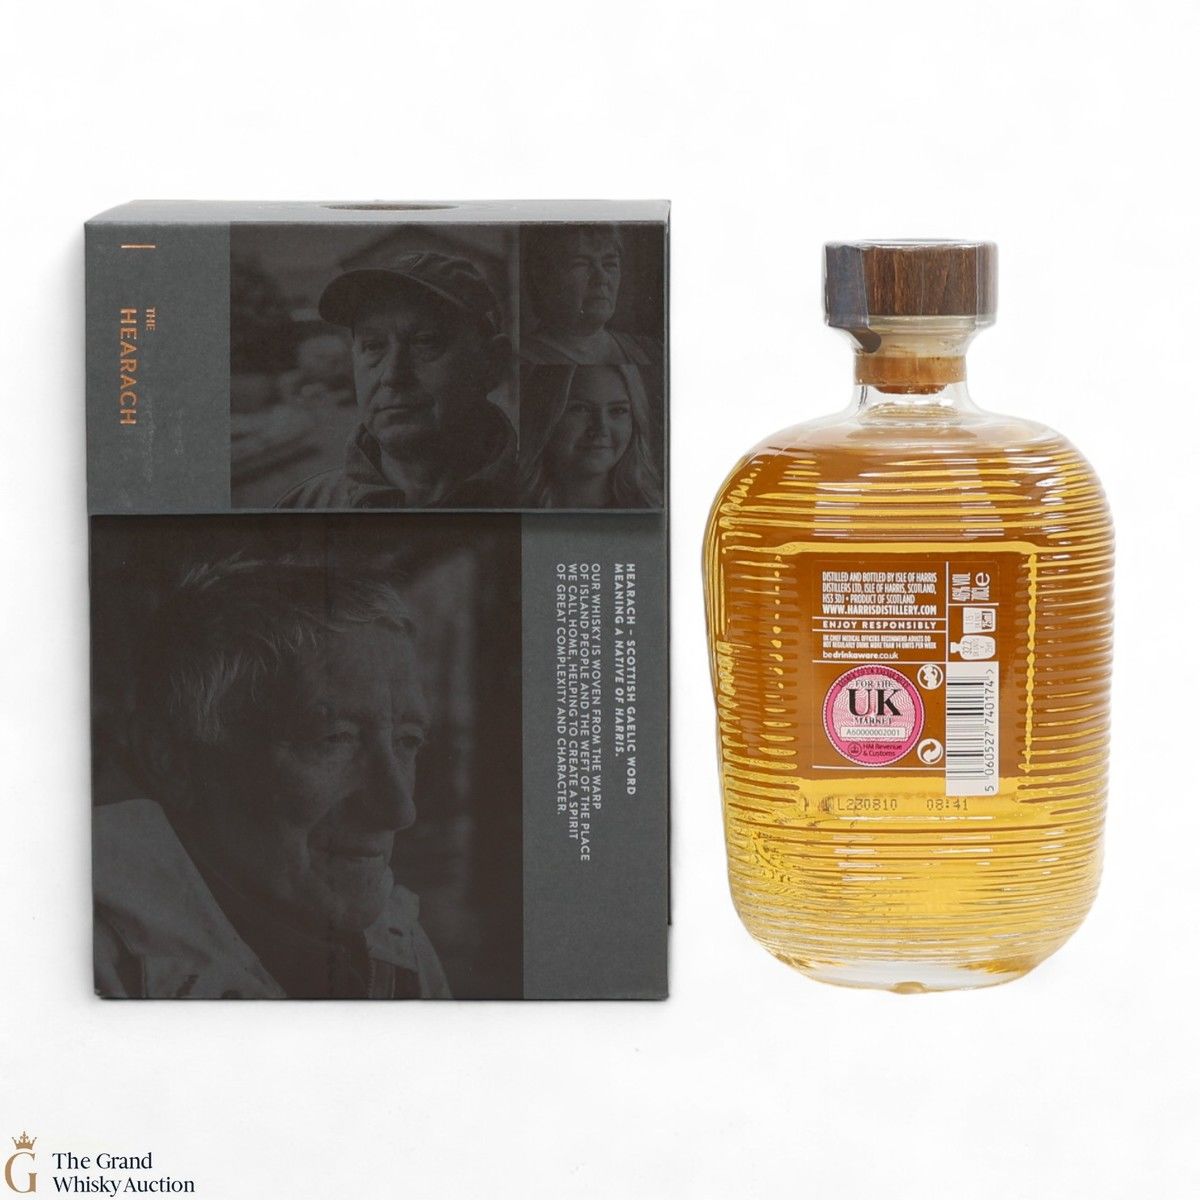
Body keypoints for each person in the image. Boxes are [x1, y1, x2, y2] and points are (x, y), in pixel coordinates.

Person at [93, 557, 452, 999]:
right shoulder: (78, 961)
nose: (399, 810)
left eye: (408, 741)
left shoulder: (397, 943)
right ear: (172, 761)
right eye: (334, 739)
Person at [276, 252, 516, 508]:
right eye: (373, 346)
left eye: (426, 341)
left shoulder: (539, 501)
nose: (393, 375)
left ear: (493, 364)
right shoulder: (303, 509)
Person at [517, 365, 663, 508]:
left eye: (618, 410)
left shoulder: (651, 509)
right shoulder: (515, 504)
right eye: (581, 409)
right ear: (544, 417)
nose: (601, 428)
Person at [520, 224, 661, 366]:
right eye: (581, 264)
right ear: (542, 277)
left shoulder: (651, 351)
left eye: (610, 264)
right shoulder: (521, 359)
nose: (602, 278)